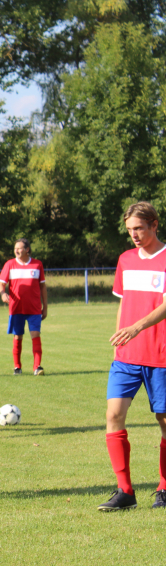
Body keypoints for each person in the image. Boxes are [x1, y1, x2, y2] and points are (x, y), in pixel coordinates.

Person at [99, 202, 166, 511]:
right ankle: (125, 491)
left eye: (139, 228)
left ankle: (164, 489)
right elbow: (123, 304)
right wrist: (119, 341)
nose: (134, 235)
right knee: (113, 416)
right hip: (127, 356)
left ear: (154, 225)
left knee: (164, 422)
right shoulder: (125, 260)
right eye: (129, 230)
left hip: (161, 355)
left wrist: (137, 327)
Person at [0, 239, 48, 376]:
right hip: (16, 308)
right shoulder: (10, 264)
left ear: (27, 249)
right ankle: (17, 367)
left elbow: (42, 287)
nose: (17, 251)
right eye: (15, 248)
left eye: (19, 248)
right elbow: (1, 284)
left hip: (34, 308)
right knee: (18, 337)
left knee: (35, 335)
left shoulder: (38, 264)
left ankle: (37, 367)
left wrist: (45, 307)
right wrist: (3, 294)